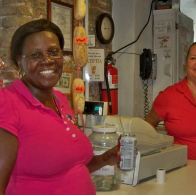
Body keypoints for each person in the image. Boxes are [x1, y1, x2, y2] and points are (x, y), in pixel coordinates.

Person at [0, 19, 118, 195]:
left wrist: (106, 158)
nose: (47, 60)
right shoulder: (8, 102)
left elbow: (69, 167)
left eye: (53, 52)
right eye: (35, 55)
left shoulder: (60, 99)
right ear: (18, 62)